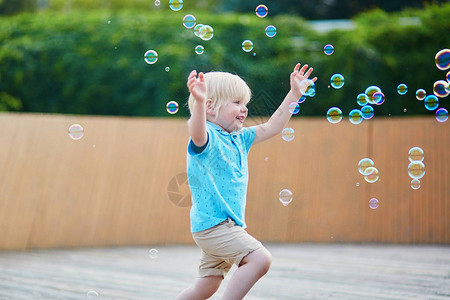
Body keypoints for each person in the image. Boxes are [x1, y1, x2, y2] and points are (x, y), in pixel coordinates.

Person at [177, 63, 317, 300]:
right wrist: (198, 103)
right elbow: (197, 132)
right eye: (236, 103)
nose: (244, 109)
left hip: (225, 226)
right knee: (260, 258)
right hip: (215, 226)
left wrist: (294, 93)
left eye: (245, 103)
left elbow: (273, 126)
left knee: (207, 286)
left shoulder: (240, 138)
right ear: (211, 107)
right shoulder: (207, 139)